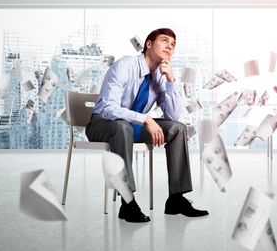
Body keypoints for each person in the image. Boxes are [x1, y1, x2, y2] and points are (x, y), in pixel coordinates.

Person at [86, 28, 208, 223]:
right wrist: (146, 119)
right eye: (165, 40)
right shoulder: (125, 65)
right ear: (148, 44)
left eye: (173, 44)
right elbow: (109, 108)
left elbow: (173, 116)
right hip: (103, 124)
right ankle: (128, 203)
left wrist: (170, 81)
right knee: (121, 127)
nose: (170, 46)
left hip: (131, 127)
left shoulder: (160, 76)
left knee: (177, 129)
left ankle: (176, 199)